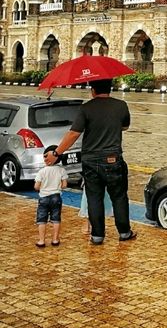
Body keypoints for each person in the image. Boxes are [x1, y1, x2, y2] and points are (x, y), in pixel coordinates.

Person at [45, 79, 136, 245]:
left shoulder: (86, 108)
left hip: (90, 160)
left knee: (94, 197)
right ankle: (124, 232)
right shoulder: (121, 105)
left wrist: (57, 153)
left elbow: (73, 134)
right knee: (119, 196)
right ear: (110, 88)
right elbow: (125, 127)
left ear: (92, 90)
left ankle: (97, 235)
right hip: (113, 159)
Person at [35, 144, 68, 248]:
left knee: (41, 220)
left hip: (43, 197)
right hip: (56, 197)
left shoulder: (42, 171)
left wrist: (41, 188)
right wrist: (58, 187)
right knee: (56, 219)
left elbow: (36, 186)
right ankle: (55, 239)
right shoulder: (61, 170)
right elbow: (64, 185)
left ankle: (41, 240)